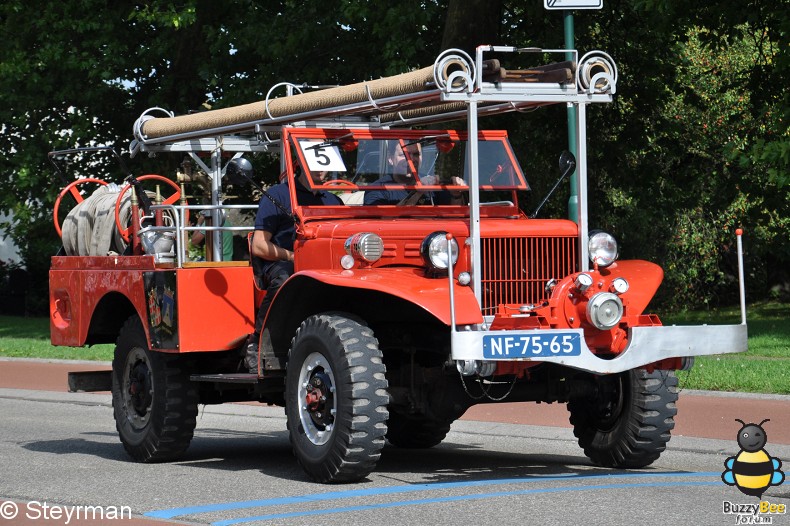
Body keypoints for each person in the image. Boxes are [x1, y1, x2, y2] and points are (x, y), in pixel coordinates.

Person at [243, 166, 343, 373]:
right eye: (313, 162)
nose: (320, 169)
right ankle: (257, 343)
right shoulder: (277, 195)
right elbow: (259, 246)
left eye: (324, 164)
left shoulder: (333, 201)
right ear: (300, 161)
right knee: (285, 278)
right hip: (284, 262)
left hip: (326, 265)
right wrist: (293, 256)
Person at [363, 142, 464, 205]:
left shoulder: (434, 185)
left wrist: (456, 195)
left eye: (416, 154)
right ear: (390, 158)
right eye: (404, 155)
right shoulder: (377, 189)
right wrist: (418, 192)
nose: (411, 159)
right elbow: (387, 223)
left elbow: (455, 216)